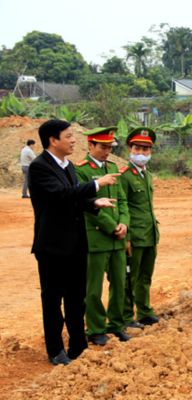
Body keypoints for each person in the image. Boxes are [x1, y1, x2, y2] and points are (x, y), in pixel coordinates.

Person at [28, 119, 119, 366]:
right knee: (53, 300)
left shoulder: (67, 166)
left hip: (76, 243)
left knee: (76, 298)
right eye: (68, 136)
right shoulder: (39, 167)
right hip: (53, 246)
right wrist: (97, 184)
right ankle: (56, 350)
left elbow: (73, 199)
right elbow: (59, 196)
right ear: (53, 140)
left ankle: (78, 347)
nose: (73, 140)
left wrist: (93, 202)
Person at [75, 127, 131, 345]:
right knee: (93, 287)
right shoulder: (81, 171)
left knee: (119, 283)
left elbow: (123, 201)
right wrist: (111, 226)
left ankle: (116, 324)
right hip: (97, 237)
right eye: (103, 147)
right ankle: (96, 328)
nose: (107, 151)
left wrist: (124, 224)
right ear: (91, 146)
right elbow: (86, 206)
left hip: (118, 238)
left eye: (110, 147)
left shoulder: (113, 168)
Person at [120, 127, 161, 327]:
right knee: (130, 277)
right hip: (134, 235)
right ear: (130, 149)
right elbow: (123, 206)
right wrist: (126, 237)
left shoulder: (148, 175)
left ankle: (144, 311)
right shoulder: (125, 176)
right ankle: (127, 315)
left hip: (149, 234)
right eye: (137, 149)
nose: (142, 153)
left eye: (146, 150)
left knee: (146, 275)